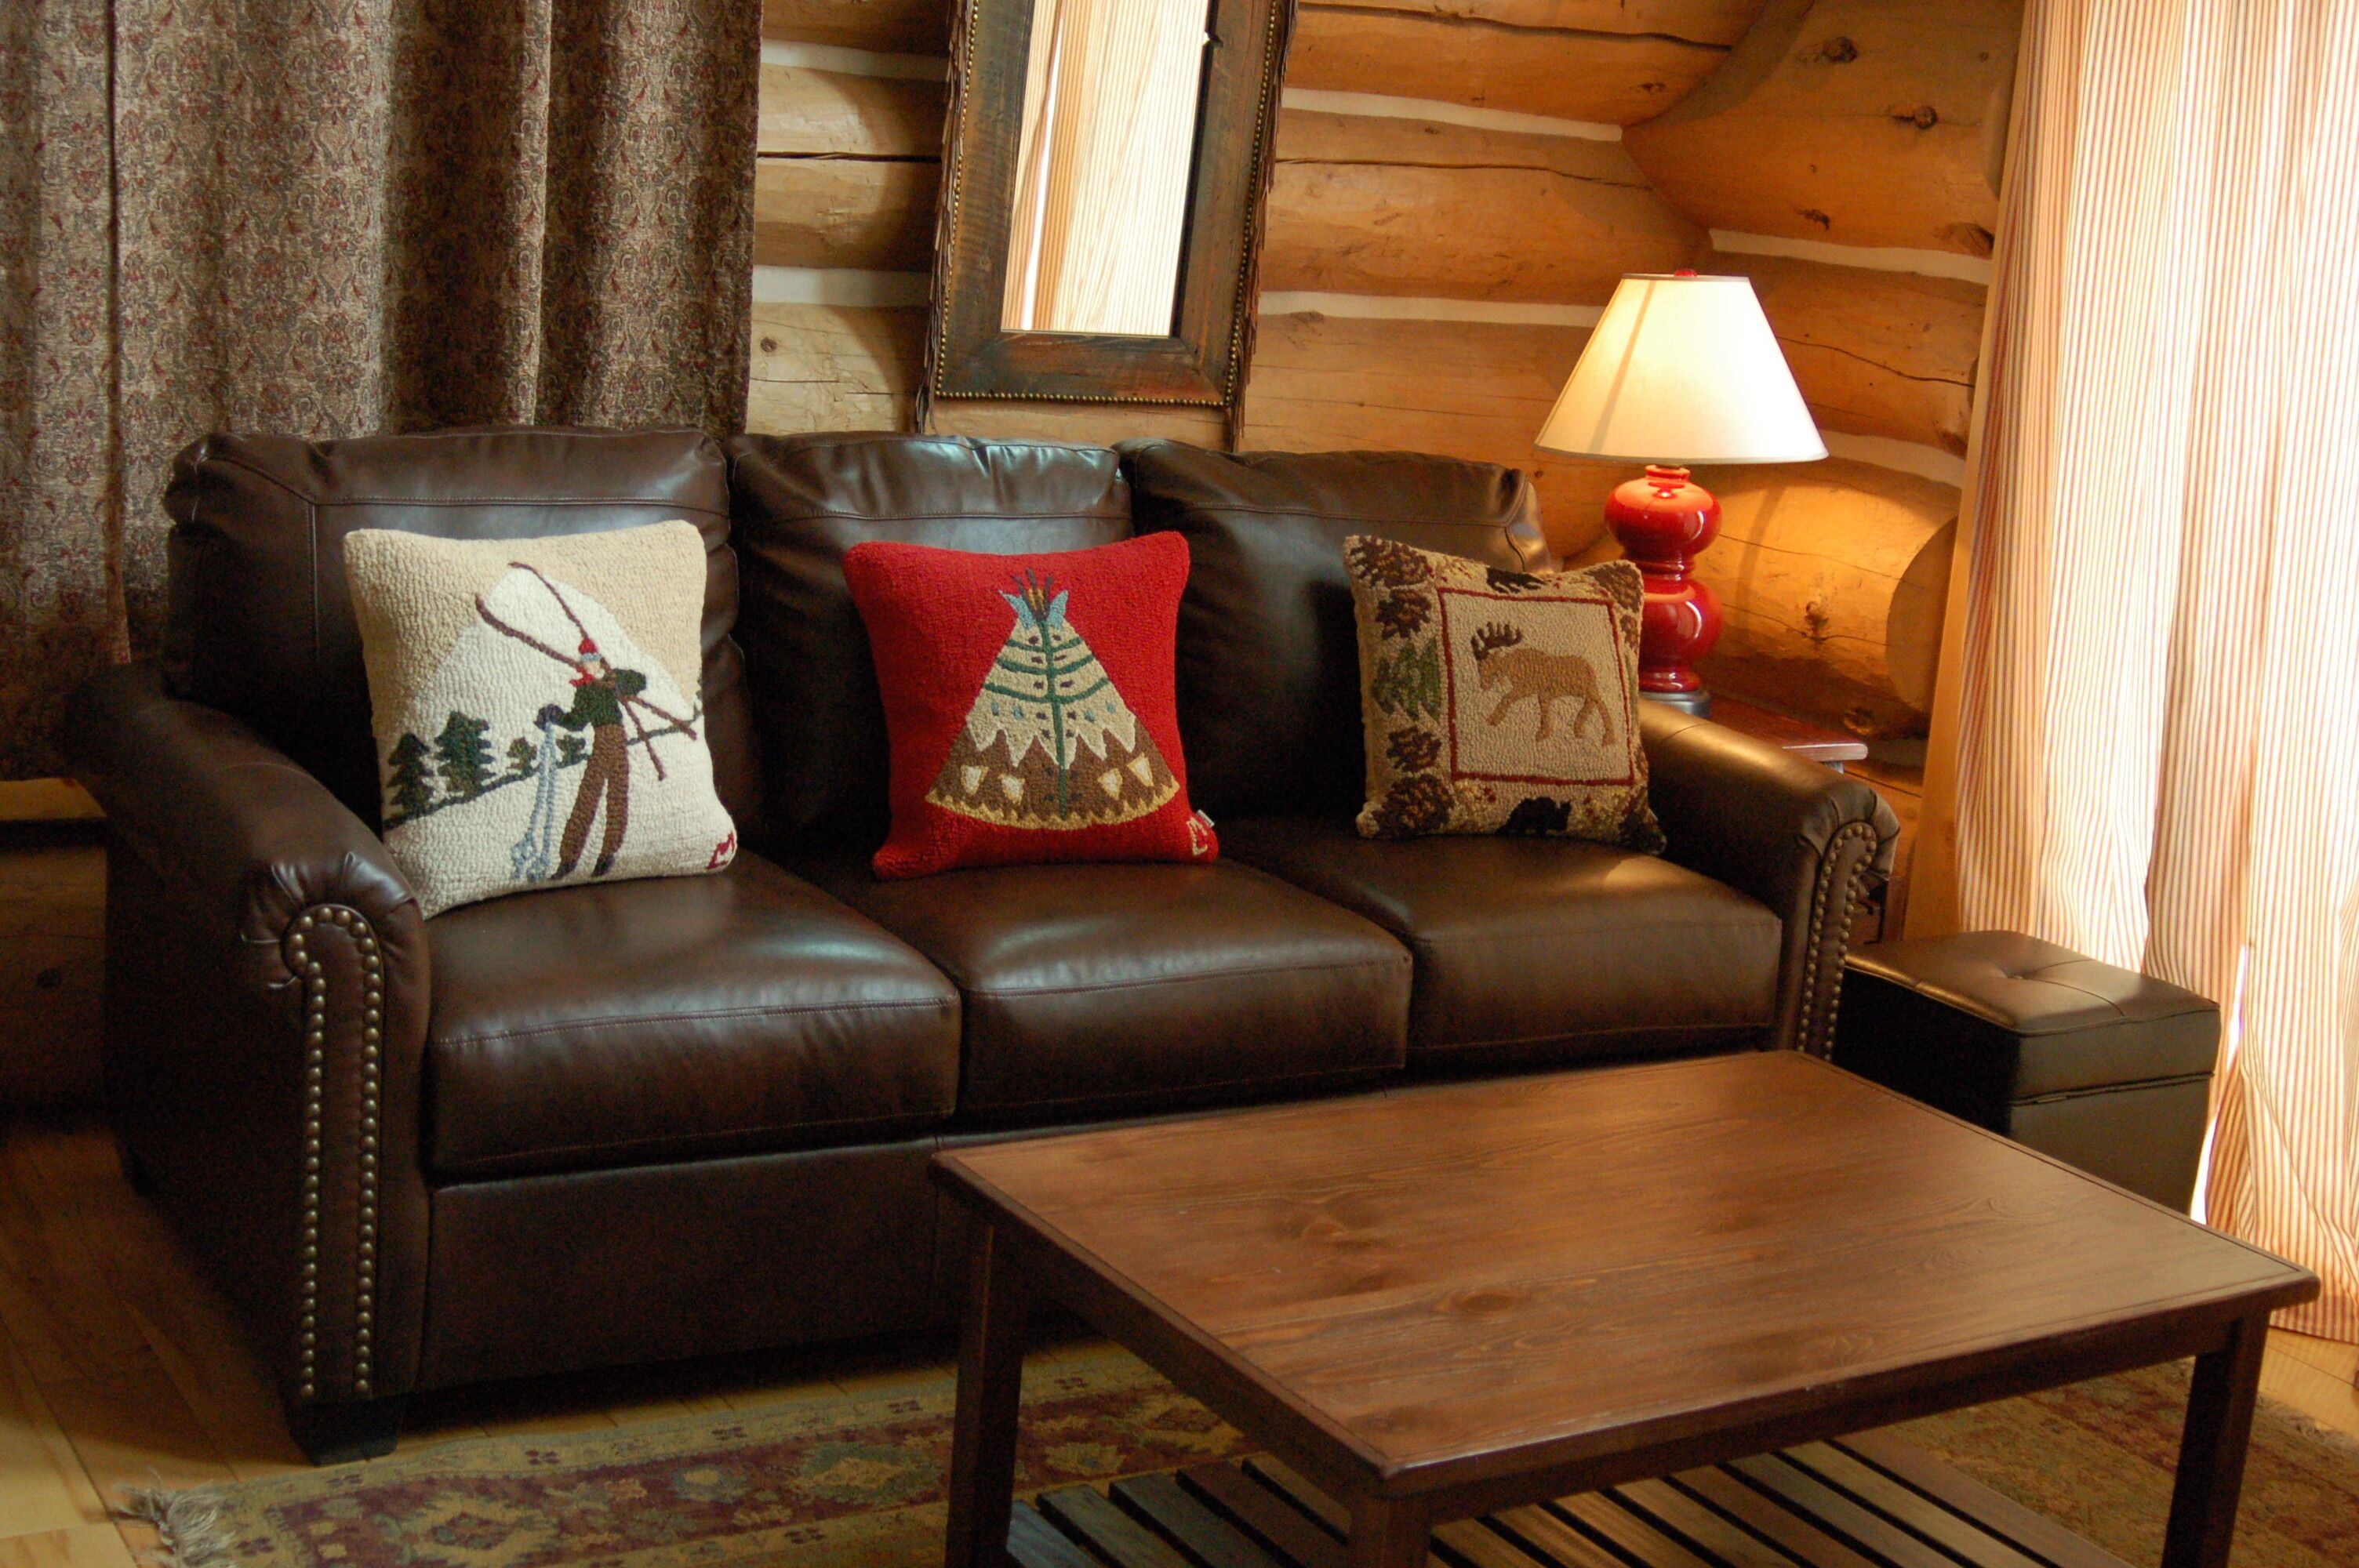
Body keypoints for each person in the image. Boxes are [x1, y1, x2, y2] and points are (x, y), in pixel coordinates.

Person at [537, 637, 647, 879]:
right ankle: (570, 858)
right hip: (602, 738)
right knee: (590, 794)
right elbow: (577, 722)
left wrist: (616, 682)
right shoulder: (585, 690)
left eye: (593, 660)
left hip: (616, 738)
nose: (589, 665)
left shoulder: (612, 678)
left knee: (615, 794)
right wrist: (555, 716)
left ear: (600, 661)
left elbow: (641, 680)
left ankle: (607, 853)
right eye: (584, 661)